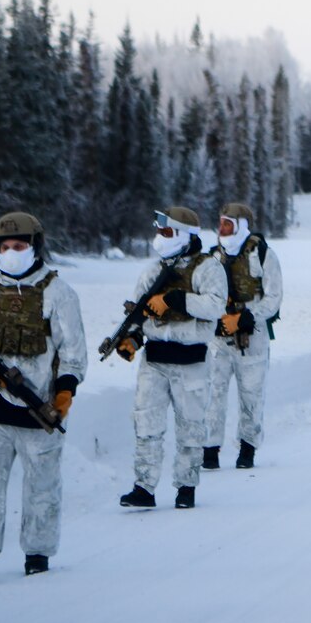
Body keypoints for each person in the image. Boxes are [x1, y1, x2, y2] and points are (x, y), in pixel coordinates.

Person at [0, 212, 86, 582]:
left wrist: (64, 394)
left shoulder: (58, 293)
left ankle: (38, 552)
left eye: (20, 246)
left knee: (42, 486)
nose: (12, 253)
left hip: (38, 411)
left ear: (35, 247)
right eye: (5, 247)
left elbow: (74, 352)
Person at [115, 207, 228, 510]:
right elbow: (140, 314)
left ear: (183, 234)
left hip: (191, 360)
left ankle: (186, 486)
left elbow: (216, 307)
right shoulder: (152, 272)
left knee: (191, 426)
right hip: (154, 360)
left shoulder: (208, 268)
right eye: (159, 232)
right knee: (146, 424)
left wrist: (175, 299)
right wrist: (132, 339)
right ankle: (144, 487)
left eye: (166, 233)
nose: (159, 238)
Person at [203, 202, 283, 471]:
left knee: (251, 394)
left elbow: (274, 298)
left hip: (253, 336)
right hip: (219, 336)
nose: (221, 228)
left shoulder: (262, 255)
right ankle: (210, 450)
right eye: (220, 222)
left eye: (228, 223)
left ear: (242, 226)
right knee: (213, 392)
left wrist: (247, 317)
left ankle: (247, 449)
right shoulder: (213, 256)